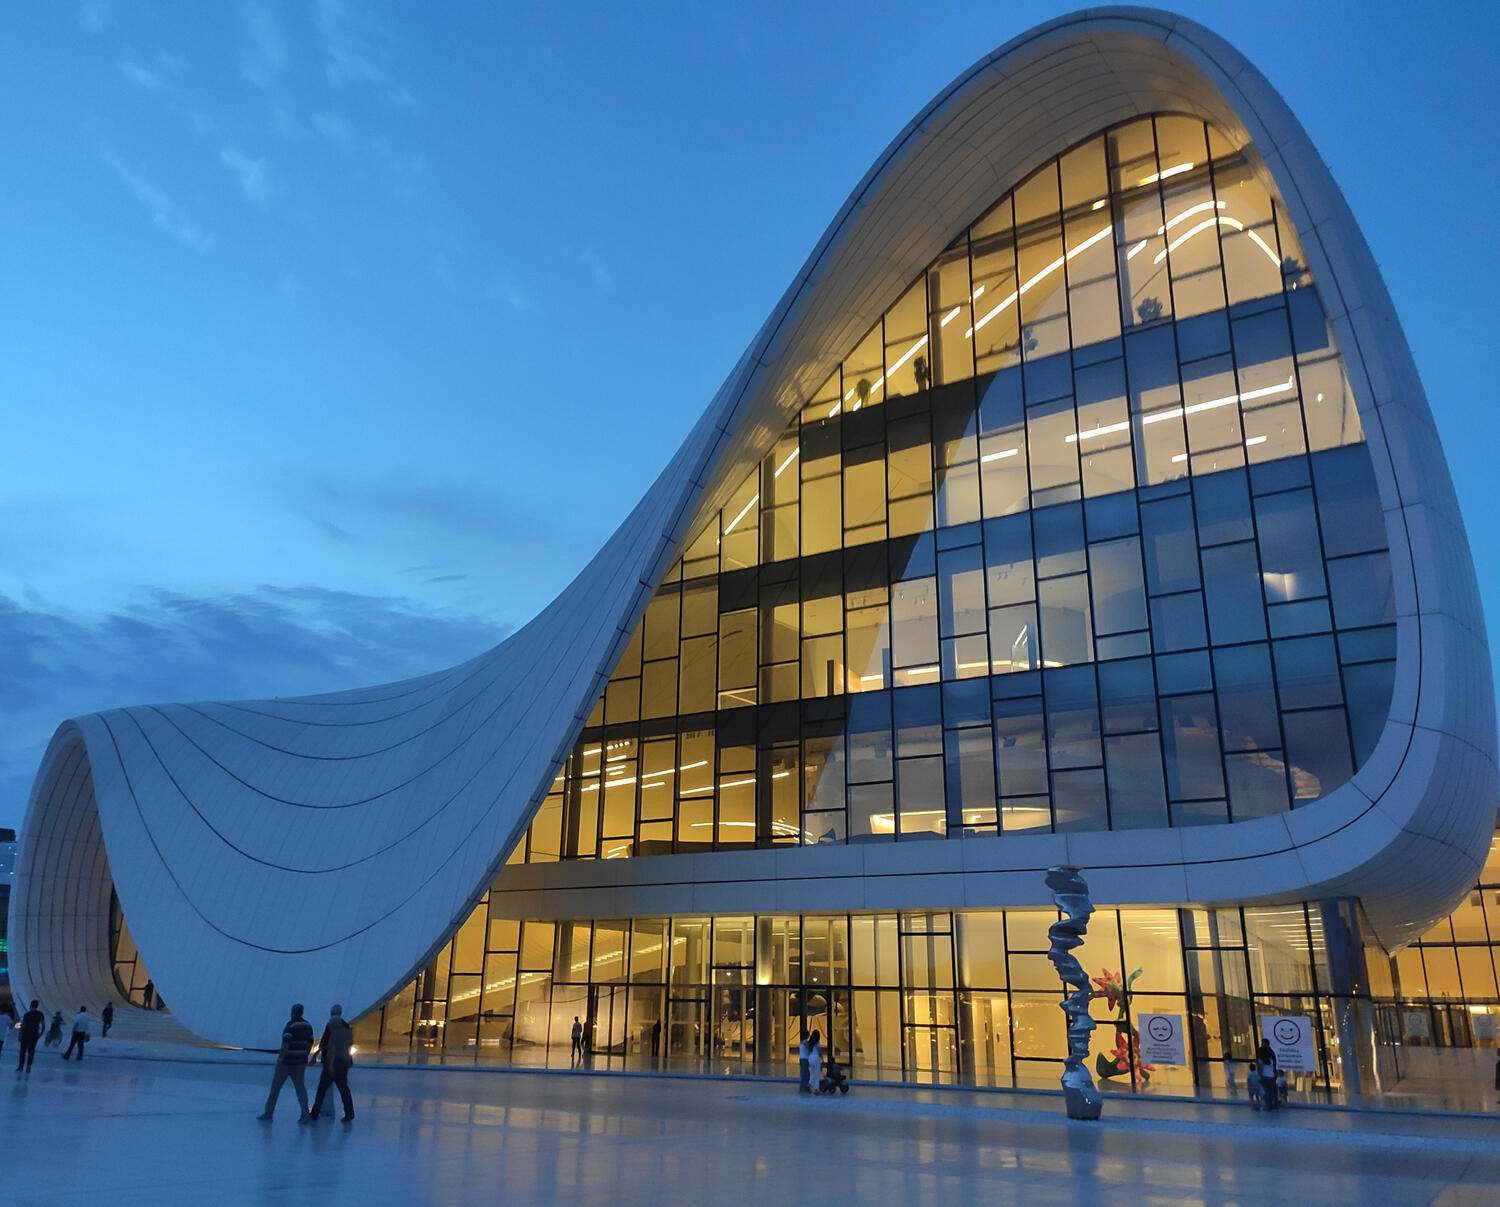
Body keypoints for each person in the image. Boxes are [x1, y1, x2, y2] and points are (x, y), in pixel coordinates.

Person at [257, 1003, 315, 1121]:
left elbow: (286, 1044)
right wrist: (304, 1055)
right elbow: (310, 1043)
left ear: (293, 1012)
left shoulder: (290, 1025)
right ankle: (305, 1114)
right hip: (299, 1063)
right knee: (300, 1088)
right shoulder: (308, 1026)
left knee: (275, 1088)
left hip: (286, 1062)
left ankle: (269, 1113)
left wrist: (281, 1058)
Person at [305, 1004, 355, 1124]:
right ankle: (350, 1113)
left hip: (331, 1064)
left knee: (322, 1089)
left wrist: (326, 1063)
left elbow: (329, 1048)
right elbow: (349, 1046)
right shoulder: (347, 1029)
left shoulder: (332, 1030)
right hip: (344, 1063)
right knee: (344, 1089)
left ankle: (315, 1113)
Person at [17, 1001, 45, 1074]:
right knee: (31, 1051)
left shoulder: (27, 1014)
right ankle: (28, 1067)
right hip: (34, 1035)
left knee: (23, 1051)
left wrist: (20, 1034)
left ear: (30, 1006)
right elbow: (43, 1024)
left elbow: (23, 1025)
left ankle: (21, 1067)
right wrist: (41, 1033)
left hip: (25, 1035)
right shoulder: (40, 1014)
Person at [1256, 1038, 1280, 1111]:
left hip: (1265, 1076)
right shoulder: (1271, 1054)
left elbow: (1261, 1067)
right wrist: (1275, 1074)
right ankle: (1274, 1104)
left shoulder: (1262, 1056)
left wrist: (1259, 1076)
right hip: (1271, 1075)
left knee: (1267, 1091)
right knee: (1272, 1091)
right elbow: (1274, 1066)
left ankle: (1268, 1105)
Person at [807, 1029, 822, 1096]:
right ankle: (814, 1087)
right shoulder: (818, 1043)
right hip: (816, 1059)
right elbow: (819, 1052)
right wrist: (822, 1059)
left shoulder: (810, 1043)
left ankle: (813, 1087)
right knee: (817, 1074)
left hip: (810, 1059)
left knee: (814, 1073)